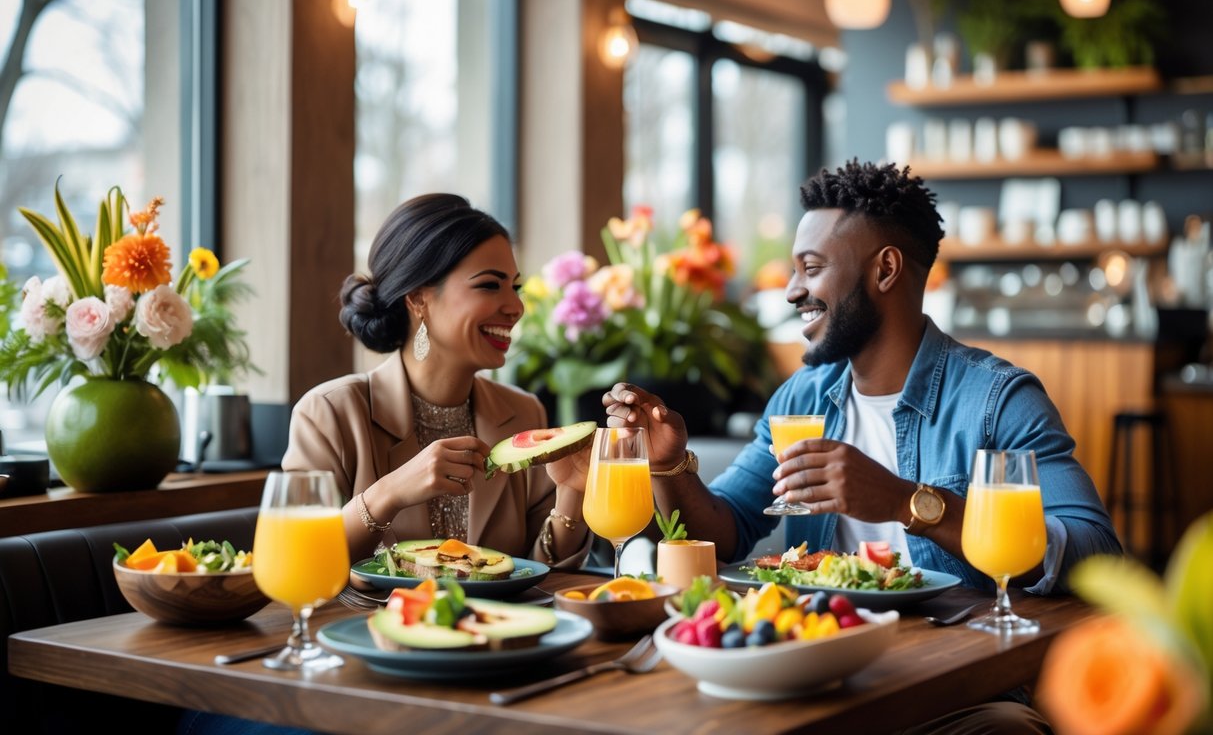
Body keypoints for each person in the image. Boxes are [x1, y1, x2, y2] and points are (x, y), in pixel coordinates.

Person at [604, 160, 1121, 733]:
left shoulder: (999, 399)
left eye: (812, 268)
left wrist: (906, 502)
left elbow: (1096, 556)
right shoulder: (800, 397)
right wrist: (670, 465)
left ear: (886, 270)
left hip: (952, 687)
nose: (792, 290)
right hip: (817, 677)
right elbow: (723, 529)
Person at [281, 192, 592, 568]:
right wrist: (388, 495)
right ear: (418, 298)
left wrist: (571, 492)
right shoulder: (327, 415)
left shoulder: (525, 412)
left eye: (516, 286)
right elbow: (297, 561)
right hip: (364, 627)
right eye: (490, 285)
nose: (516, 307)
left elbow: (543, 570)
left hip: (495, 626)